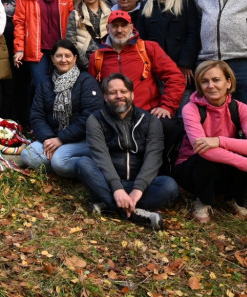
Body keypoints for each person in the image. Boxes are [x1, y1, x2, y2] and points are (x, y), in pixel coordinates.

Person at [74, 74, 179, 230]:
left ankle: (109, 206)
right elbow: (100, 156)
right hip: (108, 183)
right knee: (82, 163)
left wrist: (138, 190)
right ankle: (134, 212)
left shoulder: (150, 120)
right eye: (113, 92)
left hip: (141, 185)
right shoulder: (95, 120)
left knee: (169, 186)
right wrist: (117, 189)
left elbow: (153, 158)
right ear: (105, 96)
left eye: (123, 91)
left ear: (132, 94)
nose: (119, 96)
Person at [89, 10, 186, 171]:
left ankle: (165, 172)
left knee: (170, 127)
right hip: (114, 117)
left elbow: (175, 77)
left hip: (147, 113)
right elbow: (92, 91)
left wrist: (167, 106)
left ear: (131, 27)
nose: (119, 30)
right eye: (115, 26)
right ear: (108, 27)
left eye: (123, 25)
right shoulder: (97, 57)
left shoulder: (148, 48)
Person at [175, 61, 247, 223]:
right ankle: (203, 200)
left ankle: (233, 199)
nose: (210, 86)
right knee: (205, 156)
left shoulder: (240, 108)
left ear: (228, 82)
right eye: (204, 81)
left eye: (216, 80)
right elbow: (203, 150)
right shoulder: (191, 108)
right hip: (191, 170)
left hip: (224, 167)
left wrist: (218, 141)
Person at [21, 40, 102, 178]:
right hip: (53, 136)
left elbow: (90, 117)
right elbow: (37, 115)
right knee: (28, 155)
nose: (63, 60)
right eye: (59, 56)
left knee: (60, 161)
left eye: (67, 56)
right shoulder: (45, 84)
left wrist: (61, 139)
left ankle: (93, 168)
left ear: (75, 58)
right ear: (52, 58)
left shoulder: (86, 81)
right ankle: (61, 165)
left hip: (83, 139)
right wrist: (49, 139)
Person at [13, 0, 75, 111]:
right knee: (41, 85)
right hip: (37, 50)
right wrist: (19, 48)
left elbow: (72, 25)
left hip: (60, 50)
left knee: (61, 85)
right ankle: (38, 121)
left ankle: (60, 120)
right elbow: (19, 23)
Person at [133, 0, 201, 86]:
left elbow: (194, 34)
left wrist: (185, 63)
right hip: (154, 65)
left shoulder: (186, 1)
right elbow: (141, 39)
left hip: (181, 64)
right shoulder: (146, 5)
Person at [0, 0, 29, 120]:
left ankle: (23, 122)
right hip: (0, 45)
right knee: (5, 84)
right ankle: (6, 121)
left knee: (22, 83)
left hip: (21, 44)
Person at [65, 0, 111, 69]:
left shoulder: (109, 13)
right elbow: (71, 42)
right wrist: (86, 64)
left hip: (107, 58)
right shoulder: (75, 14)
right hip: (84, 60)